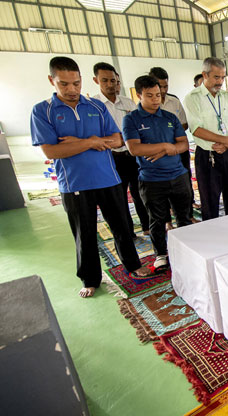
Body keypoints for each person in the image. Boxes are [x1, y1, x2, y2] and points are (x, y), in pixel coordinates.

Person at [30, 56, 151, 298]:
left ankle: (133, 265)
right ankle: (90, 278)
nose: (72, 89)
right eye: (64, 84)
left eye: (76, 83)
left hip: (108, 178)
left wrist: (84, 143)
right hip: (74, 183)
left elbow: (117, 140)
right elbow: (52, 150)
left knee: (122, 228)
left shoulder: (95, 107)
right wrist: (93, 142)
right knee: (84, 233)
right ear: (51, 81)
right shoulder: (43, 111)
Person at [123, 76, 192, 270]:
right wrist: (165, 146)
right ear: (138, 95)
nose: (155, 99)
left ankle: (187, 251)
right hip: (152, 179)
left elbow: (184, 144)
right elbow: (135, 149)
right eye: (150, 96)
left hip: (178, 176)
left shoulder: (170, 117)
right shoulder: (131, 119)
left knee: (184, 217)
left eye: (158, 95)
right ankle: (161, 254)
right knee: (157, 220)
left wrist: (161, 149)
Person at [92, 62, 150, 238]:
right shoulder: (93, 106)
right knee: (118, 196)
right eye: (105, 81)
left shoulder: (127, 103)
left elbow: (138, 127)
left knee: (139, 192)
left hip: (132, 155)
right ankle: (128, 231)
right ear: (96, 80)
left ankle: (147, 226)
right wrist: (114, 140)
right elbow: (96, 137)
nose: (110, 85)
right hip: (110, 157)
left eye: (113, 80)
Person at [183, 57, 228, 219]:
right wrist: (227, 141)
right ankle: (211, 238)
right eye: (217, 77)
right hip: (208, 157)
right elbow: (196, 129)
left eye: (223, 77)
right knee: (209, 202)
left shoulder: (227, 97)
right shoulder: (192, 98)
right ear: (205, 74)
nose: (220, 81)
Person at [149, 66, 195, 226]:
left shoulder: (174, 101)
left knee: (184, 185)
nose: (162, 90)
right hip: (159, 154)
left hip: (178, 150)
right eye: (159, 86)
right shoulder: (147, 104)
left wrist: (172, 133)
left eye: (165, 86)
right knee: (163, 187)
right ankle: (167, 221)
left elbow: (184, 124)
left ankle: (187, 216)